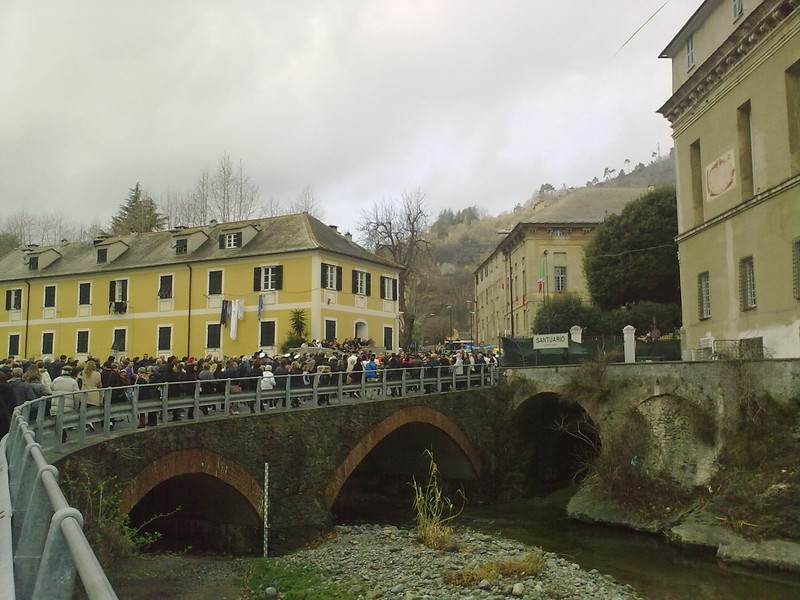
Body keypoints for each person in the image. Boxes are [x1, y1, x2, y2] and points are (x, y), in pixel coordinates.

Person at [50, 366, 80, 442]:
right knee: (64, 420)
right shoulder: (73, 382)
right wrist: (76, 406)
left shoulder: (56, 380)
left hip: (56, 403)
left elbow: (51, 389)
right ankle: (63, 436)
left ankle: (60, 435)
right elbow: (77, 395)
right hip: (68, 404)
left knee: (57, 419)